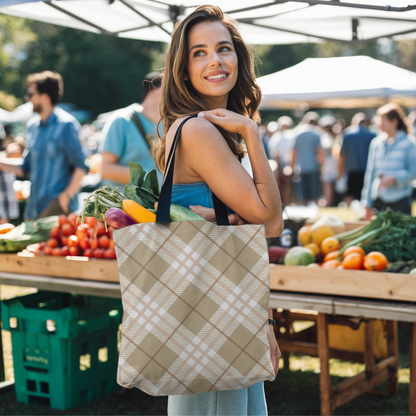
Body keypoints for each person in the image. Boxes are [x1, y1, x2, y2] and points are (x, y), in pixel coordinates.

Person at [153, 5, 283, 415]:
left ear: (238, 57)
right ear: (183, 68)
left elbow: (242, 236)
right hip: (210, 318)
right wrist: (252, 132)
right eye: (199, 52)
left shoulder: (205, 127)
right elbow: (271, 219)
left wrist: (263, 321)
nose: (215, 61)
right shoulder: (199, 130)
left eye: (223, 48)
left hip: (222, 306)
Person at [0, 71, 88, 219]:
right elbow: (25, 167)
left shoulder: (66, 125)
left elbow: (81, 167)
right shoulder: (32, 126)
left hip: (56, 211)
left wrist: (64, 199)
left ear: (45, 97)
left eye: (30, 93)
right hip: (33, 210)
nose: (27, 98)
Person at [100, 72, 163, 190]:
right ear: (153, 91)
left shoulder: (166, 124)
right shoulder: (121, 120)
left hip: (154, 205)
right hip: (122, 204)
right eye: (169, 89)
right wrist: (150, 179)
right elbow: (105, 169)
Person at [362, 103, 416, 219]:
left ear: (394, 121)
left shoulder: (409, 144)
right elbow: (370, 174)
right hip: (380, 200)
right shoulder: (376, 143)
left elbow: (413, 172)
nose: (379, 124)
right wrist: (367, 201)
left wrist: (394, 179)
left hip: (401, 201)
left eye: (383, 120)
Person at [339, 113, 376, 204]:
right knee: (365, 194)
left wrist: (339, 172)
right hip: (367, 170)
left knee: (350, 196)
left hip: (352, 170)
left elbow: (342, 155)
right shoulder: (372, 135)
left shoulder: (348, 136)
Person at [290, 112, 324, 205]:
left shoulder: (296, 132)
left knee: (301, 195)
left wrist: (292, 167)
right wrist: (322, 166)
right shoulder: (316, 133)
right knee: (314, 194)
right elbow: (320, 152)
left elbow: (293, 152)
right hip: (313, 167)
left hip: (300, 168)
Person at [268, 116, 295, 206]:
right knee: (284, 185)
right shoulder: (280, 137)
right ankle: (285, 204)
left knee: (284, 185)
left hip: (282, 165)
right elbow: (278, 154)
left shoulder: (277, 137)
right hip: (281, 165)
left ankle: (285, 204)